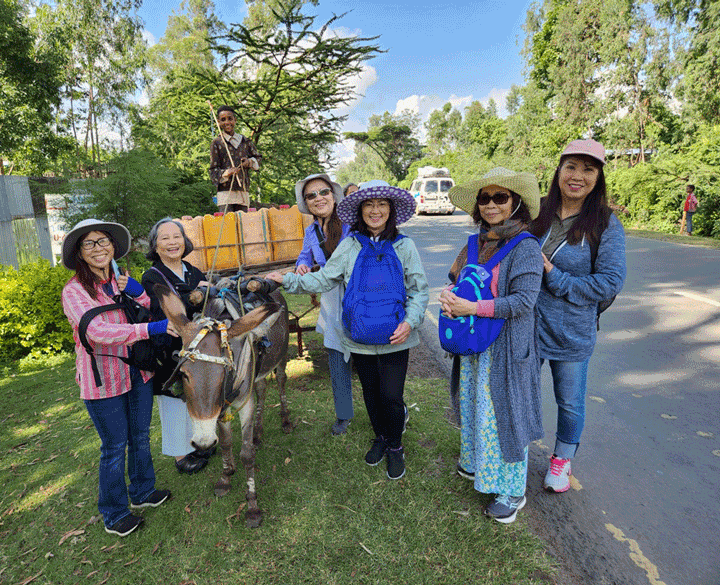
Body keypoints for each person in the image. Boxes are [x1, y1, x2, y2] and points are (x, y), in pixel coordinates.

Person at [266, 180, 429, 480]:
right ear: (361, 211)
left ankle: (395, 446)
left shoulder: (404, 246)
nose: (376, 211)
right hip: (360, 334)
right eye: (369, 205)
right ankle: (381, 437)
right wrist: (287, 280)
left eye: (382, 205)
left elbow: (419, 290)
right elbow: (324, 278)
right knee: (371, 393)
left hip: (396, 336)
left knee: (392, 396)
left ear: (391, 210)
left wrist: (410, 322)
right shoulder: (350, 245)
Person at [441, 168, 544, 523]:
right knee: (475, 409)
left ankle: (512, 492)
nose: (491, 205)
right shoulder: (475, 243)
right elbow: (455, 281)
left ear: (516, 202)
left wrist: (472, 308)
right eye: (485, 198)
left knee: (505, 418)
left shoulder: (526, 246)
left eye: (500, 197)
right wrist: (449, 296)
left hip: (506, 351)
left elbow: (523, 302)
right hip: (475, 347)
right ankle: (477, 465)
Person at [61, 219, 174, 537]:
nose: (98, 248)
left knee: (140, 436)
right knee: (114, 446)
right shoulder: (74, 291)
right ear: (80, 253)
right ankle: (114, 513)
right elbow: (97, 332)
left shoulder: (120, 280)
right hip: (103, 379)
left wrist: (138, 293)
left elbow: (147, 309)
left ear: (113, 246)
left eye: (103, 241)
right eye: (89, 243)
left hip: (138, 370)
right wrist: (150, 329)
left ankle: (142, 491)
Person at [529, 139, 626, 493]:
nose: (577, 176)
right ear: (559, 170)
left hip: (572, 332)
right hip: (527, 326)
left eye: (588, 169)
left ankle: (562, 459)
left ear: (598, 177)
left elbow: (610, 281)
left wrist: (555, 277)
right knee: (521, 392)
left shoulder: (605, 223)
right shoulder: (535, 210)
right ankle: (515, 451)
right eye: (571, 166)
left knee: (569, 402)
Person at [141, 218, 213, 474]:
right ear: (155, 246)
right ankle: (181, 455)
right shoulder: (152, 276)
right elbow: (164, 309)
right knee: (173, 400)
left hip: (198, 347)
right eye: (165, 238)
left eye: (177, 236)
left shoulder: (193, 271)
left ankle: (197, 444)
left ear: (185, 241)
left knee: (195, 397)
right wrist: (197, 294)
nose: (172, 242)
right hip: (169, 347)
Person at [294, 174, 354, 435]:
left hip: (357, 293)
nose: (318, 198)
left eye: (324, 192)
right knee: (336, 355)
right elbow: (304, 256)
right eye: (311, 195)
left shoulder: (352, 223)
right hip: (330, 297)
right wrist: (302, 266)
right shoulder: (311, 231)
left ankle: (391, 409)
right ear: (306, 203)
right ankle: (344, 414)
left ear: (333, 195)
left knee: (370, 355)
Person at [209, 105, 262, 214]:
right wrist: (226, 173)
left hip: (243, 192)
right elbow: (213, 171)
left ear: (235, 120)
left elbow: (258, 158)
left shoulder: (245, 141)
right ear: (218, 122)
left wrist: (249, 162)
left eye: (230, 118)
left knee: (243, 222)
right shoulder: (217, 143)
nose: (227, 122)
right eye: (223, 119)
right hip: (225, 195)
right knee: (228, 223)